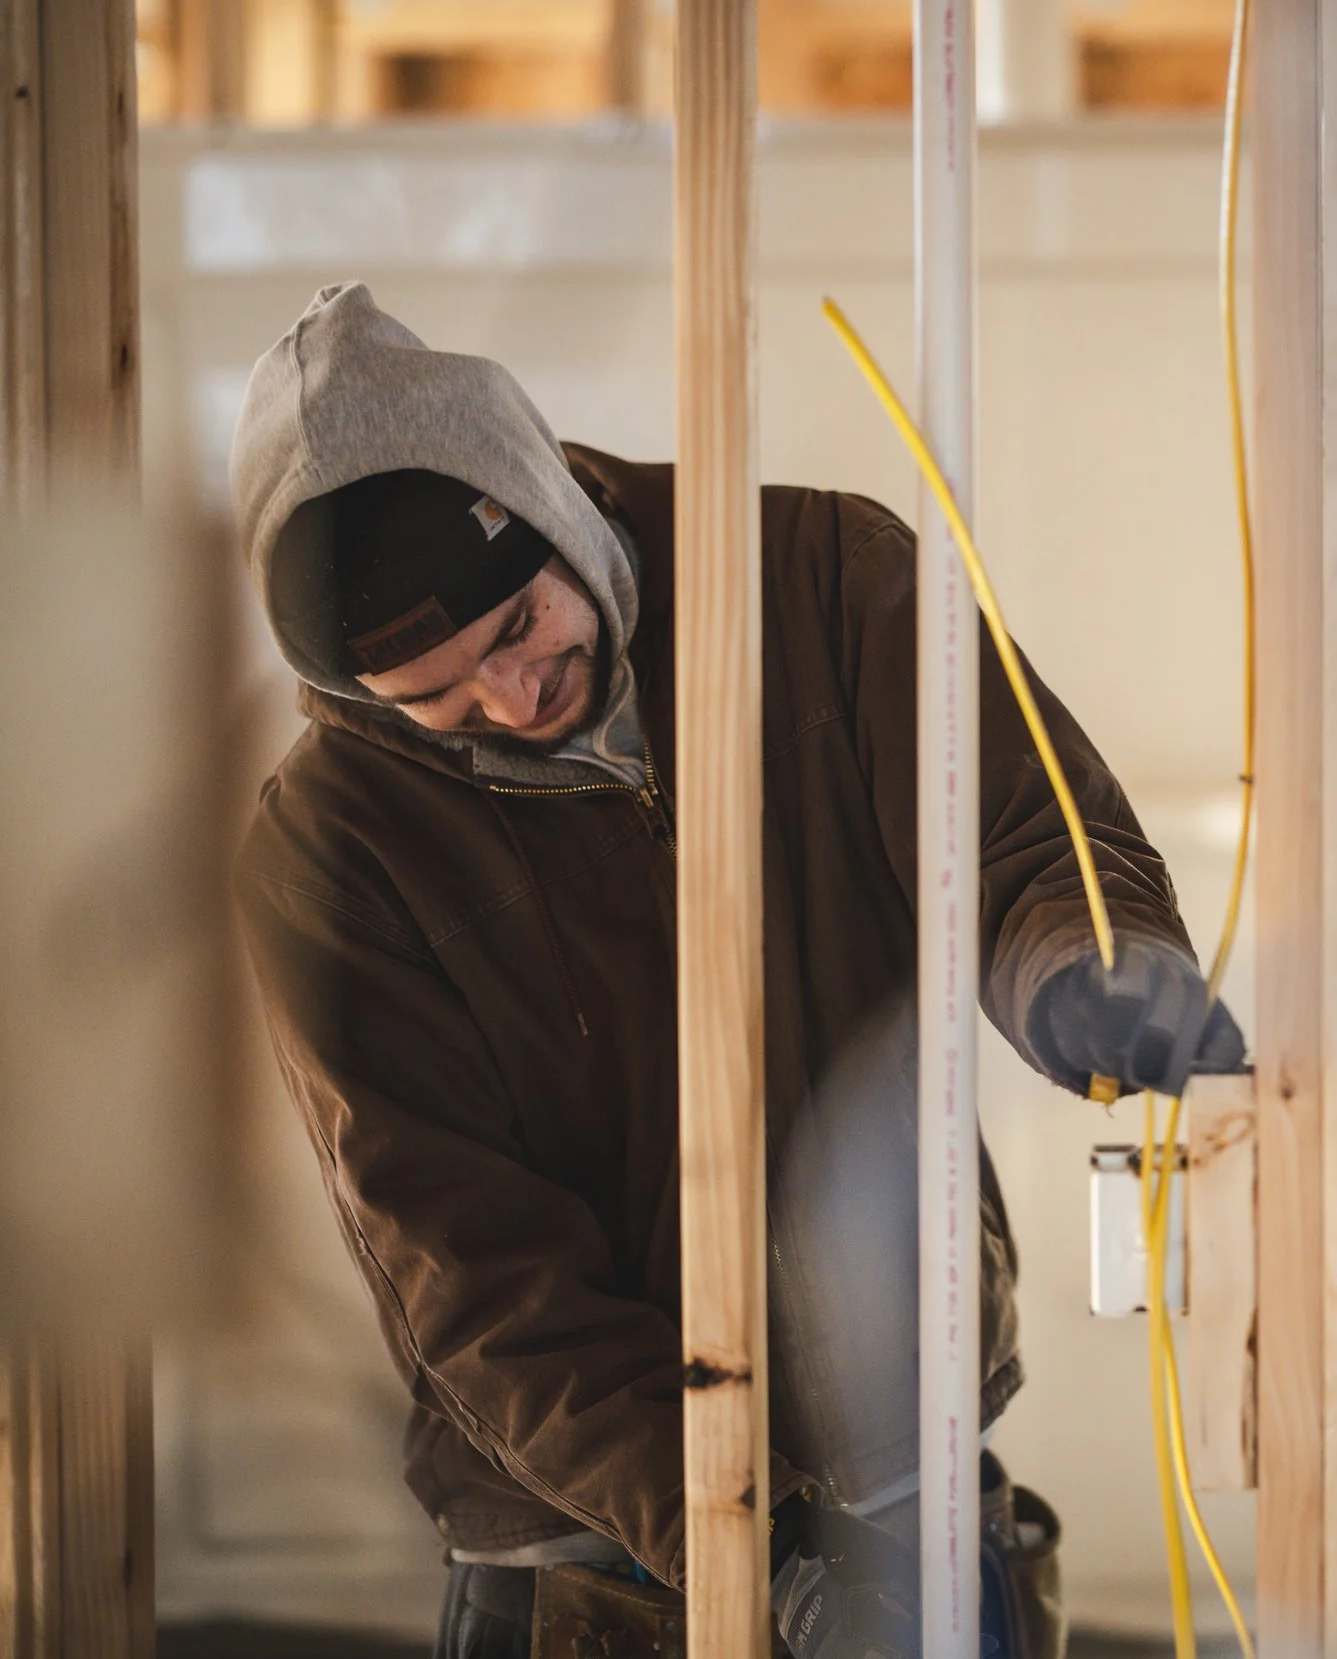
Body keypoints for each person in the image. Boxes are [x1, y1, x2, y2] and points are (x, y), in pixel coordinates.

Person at [230, 283, 1241, 1659]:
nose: (512, 700)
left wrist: (1085, 967)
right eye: (439, 696)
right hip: (585, 1559)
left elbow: (1017, 829)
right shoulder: (329, 850)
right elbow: (470, 1273)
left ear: (547, 503)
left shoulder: (819, 576)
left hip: (911, 1466)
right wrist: (751, 1545)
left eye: (520, 628)